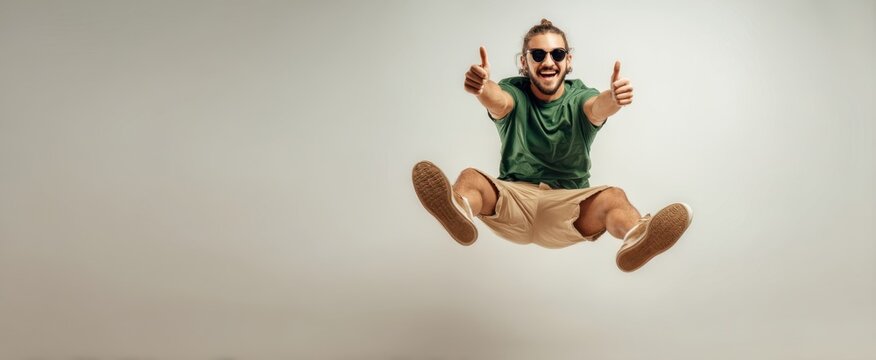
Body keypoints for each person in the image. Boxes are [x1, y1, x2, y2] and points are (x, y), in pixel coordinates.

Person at [411, 19, 692, 272]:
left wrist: (614, 100)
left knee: (615, 197)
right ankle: (459, 209)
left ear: (568, 61)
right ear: (524, 62)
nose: (548, 62)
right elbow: (499, 101)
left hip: (567, 208)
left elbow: (596, 108)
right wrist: (483, 88)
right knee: (471, 177)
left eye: (557, 54)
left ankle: (638, 237)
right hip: (513, 202)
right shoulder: (515, 92)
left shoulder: (580, 96)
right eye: (538, 55)